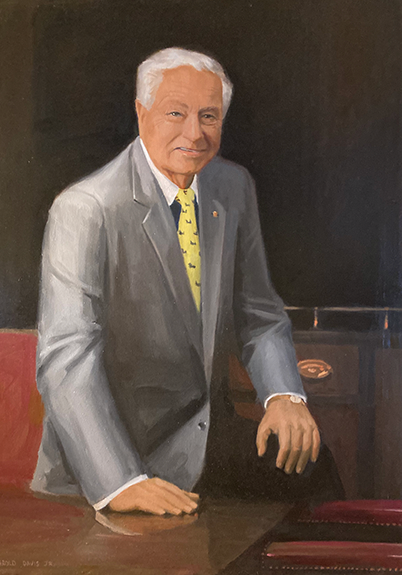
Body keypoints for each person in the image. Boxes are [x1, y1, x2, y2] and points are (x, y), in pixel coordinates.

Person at [31, 48, 344, 515]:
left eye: (209, 116)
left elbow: (258, 313)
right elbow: (67, 360)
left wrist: (284, 395)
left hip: (203, 441)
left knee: (313, 467)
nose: (194, 133)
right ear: (141, 113)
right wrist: (121, 483)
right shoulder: (85, 208)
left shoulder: (232, 187)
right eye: (176, 113)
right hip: (109, 463)